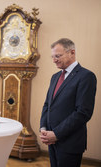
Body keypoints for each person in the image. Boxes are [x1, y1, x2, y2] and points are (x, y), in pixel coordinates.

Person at [39, 38, 97, 167]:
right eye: (53, 56)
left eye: (58, 56)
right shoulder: (55, 77)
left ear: (72, 52)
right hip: (51, 140)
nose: (54, 60)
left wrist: (57, 134)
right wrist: (43, 128)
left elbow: (83, 112)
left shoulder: (86, 76)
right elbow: (47, 105)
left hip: (70, 143)